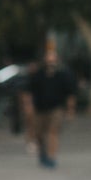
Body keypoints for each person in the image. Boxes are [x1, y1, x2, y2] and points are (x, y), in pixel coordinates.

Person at [21, 37, 79, 168]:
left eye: (53, 58)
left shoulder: (63, 75)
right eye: (49, 57)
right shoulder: (38, 75)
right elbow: (27, 91)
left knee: (53, 132)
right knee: (39, 134)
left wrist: (70, 110)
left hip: (56, 108)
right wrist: (28, 106)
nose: (51, 60)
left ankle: (52, 157)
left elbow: (70, 94)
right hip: (39, 109)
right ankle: (43, 153)